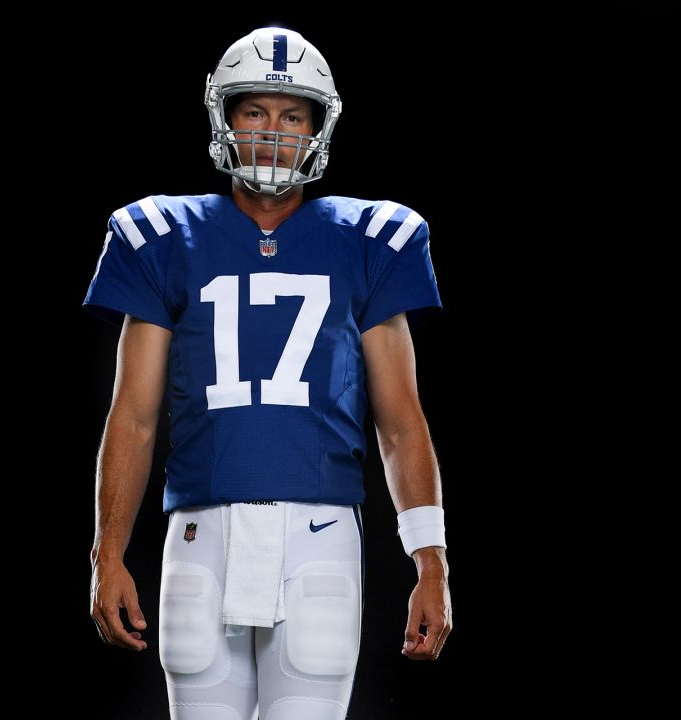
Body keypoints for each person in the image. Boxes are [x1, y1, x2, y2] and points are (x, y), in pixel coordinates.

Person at [84, 27, 452, 719]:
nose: (272, 132)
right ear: (226, 118)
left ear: (317, 128)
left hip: (319, 535)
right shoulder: (164, 234)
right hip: (199, 533)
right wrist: (107, 554)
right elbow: (131, 417)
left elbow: (402, 424)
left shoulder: (370, 238)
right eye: (254, 111)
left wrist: (430, 561)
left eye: (292, 116)